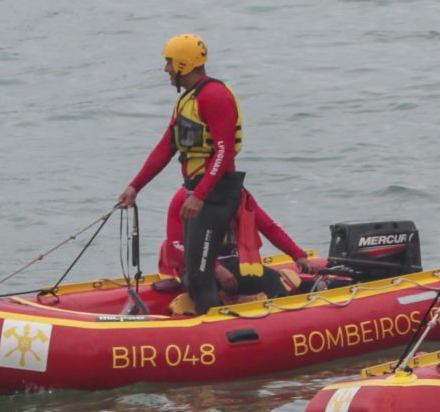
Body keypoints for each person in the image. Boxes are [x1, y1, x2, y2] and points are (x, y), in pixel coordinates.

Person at [115, 34, 317, 314]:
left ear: (184, 63)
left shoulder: (215, 96)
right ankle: (210, 320)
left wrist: (200, 195)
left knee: (200, 273)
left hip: (217, 192)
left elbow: (224, 152)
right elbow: (165, 147)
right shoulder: (187, 101)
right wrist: (135, 186)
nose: (166, 70)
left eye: (169, 63)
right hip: (199, 190)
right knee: (198, 272)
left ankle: (211, 328)